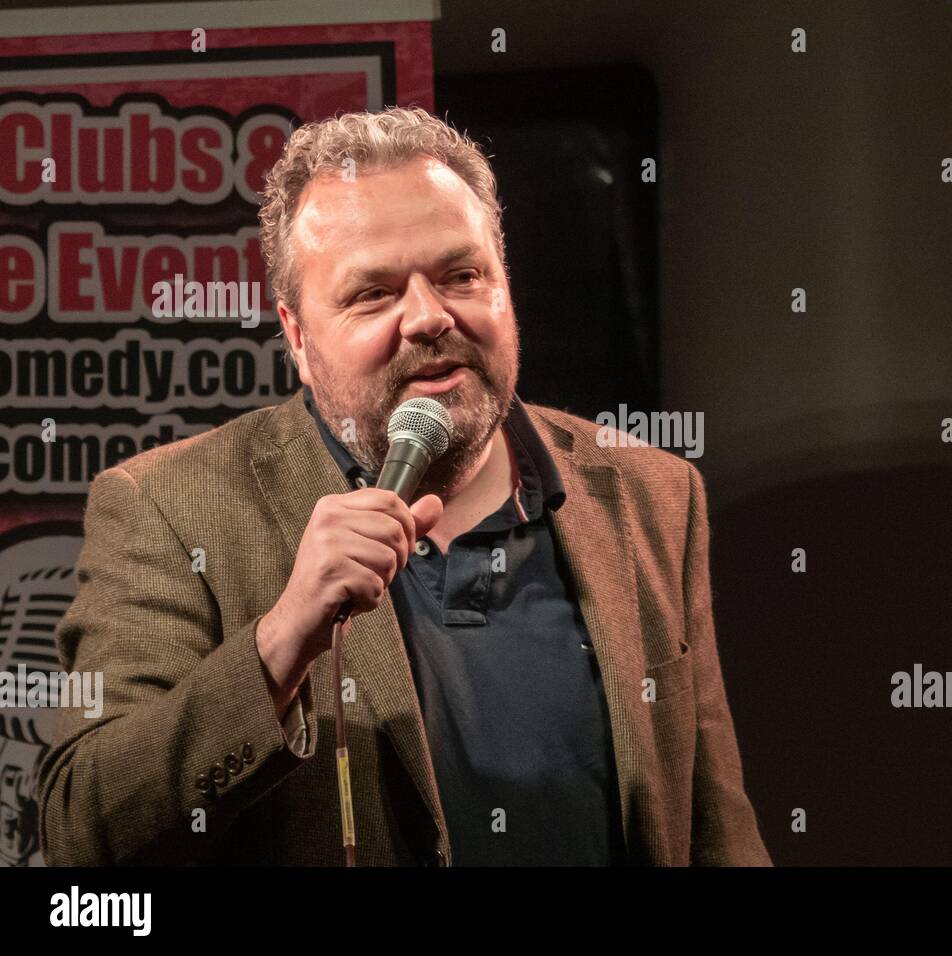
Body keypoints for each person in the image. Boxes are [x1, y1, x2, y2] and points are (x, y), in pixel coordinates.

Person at [37, 106, 770, 866]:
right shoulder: (169, 507)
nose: (428, 316)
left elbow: (715, 826)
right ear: (296, 334)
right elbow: (80, 831)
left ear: (504, 286)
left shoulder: (651, 493)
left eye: (461, 275)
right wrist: (281, 642)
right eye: (374, 293)